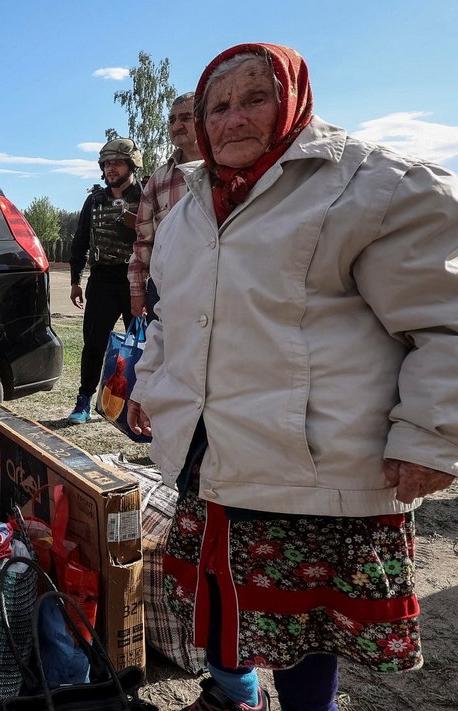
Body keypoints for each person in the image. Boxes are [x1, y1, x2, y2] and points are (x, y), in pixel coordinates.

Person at [127, 43, 457, 711]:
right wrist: (149, 385)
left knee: (304, 623)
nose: (232, 118)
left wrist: (429, 435)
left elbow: (445, 320)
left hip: (308, 458)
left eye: (255, 97)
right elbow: (169, 315)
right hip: (212, 447)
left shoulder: (370, 185)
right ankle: (232, 696)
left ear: (295, 100)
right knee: (218, 595)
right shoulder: (190, 205)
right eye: (218, 105)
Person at [67, 138, 143, 423]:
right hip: (102, 281)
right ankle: (84, 399)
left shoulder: (147, 196)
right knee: (94, 344)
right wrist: (75, 280)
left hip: (136, 280)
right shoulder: (95, 200)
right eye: (107, 164)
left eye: (117, 163)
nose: (111, 169)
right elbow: (80, 242)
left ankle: (140, 403)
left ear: (131, 165)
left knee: (142, 345)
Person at [129, 92, 202, 322]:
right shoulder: (159, 179)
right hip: (164, 290)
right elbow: (143, 239)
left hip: (217, 288)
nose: (177, 125)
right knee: (164, 355)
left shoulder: (227, 169)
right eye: (172, 120)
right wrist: (138, 290)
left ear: (205, 119)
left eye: (185, 118)